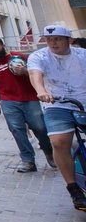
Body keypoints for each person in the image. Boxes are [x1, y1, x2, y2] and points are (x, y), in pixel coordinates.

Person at [26, 24, 86, 212]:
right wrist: (41, 91)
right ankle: (73, 187)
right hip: (56, 103)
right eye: (49, 39)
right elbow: (35, 74)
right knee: (59, 142)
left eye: (58, 39)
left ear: (69, 40)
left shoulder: (82, 55)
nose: (53, 43)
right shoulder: (39, 56)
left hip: (83, 100)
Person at [0, 37, 54, 172]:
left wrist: (24, 71)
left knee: (39, 127)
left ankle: (49, 151)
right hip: (8, 100)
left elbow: (36, 74)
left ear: (3, 45)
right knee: (17, 130)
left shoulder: (19, 56)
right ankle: (28, 160)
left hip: (29, 98)